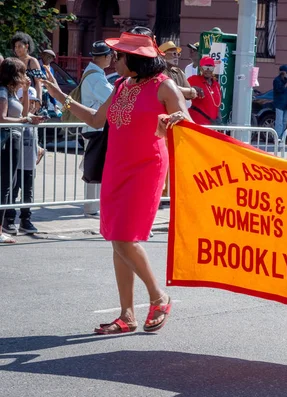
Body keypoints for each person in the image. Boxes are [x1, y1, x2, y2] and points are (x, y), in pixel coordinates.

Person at [41, 27, 191, 333]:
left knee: (124, 236)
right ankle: (127, 315)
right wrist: (60, 97)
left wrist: (176, 119)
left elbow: (187, 122)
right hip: (116, 167)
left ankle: (158, 297)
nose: (115, 59)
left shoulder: (165, 87)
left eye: (119, 55)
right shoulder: (122, 84)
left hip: (146, 168)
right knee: (117, 239)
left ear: (136, 58)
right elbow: (97, 120)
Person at [0, 58, 44, 243]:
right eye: (23, 72)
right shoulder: (3, 91)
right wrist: (23, 121)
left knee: (7, 186)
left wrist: (26, 92)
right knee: (4, 187)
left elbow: (24, 113)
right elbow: (2, 119)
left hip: (13, 141)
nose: (26, 76)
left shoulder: (10, 92)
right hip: (7, 142)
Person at [80, 41, 114, 216]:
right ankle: (92, 206)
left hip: (94, 126)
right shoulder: (95, 77)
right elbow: (111, 97)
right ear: (106, 56)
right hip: (96, 127)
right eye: (111, 56)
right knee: (95, 165)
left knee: (93, 164)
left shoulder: (94, 73)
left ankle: (92, 205)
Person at [187, 57, 222, 125]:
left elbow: (218, 106)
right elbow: (182, 89)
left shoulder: (216, 85)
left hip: (212, 125)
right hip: (197, 123)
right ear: (201, 68)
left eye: (210, 67)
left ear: (214, 68)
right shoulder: (194, 79)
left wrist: (220, 120)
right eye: (205, 67)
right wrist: (193, 88)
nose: (208, 69)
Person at [11, 32, 43, 100]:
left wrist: (38, 100)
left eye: (19, 46)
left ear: (26, 46)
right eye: (15, 47)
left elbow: (38, 82)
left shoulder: (32, 61)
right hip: (16, 98)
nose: (17, 49)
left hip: (30, 98)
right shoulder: (14, 62)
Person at [273, 64, 287, 139]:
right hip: (279, 104)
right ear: (283, 73)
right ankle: (277, 138)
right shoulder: (277, 80)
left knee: (285, 121)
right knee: (279, 122)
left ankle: (282, 138)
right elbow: (279, 90)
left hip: (286, 104)